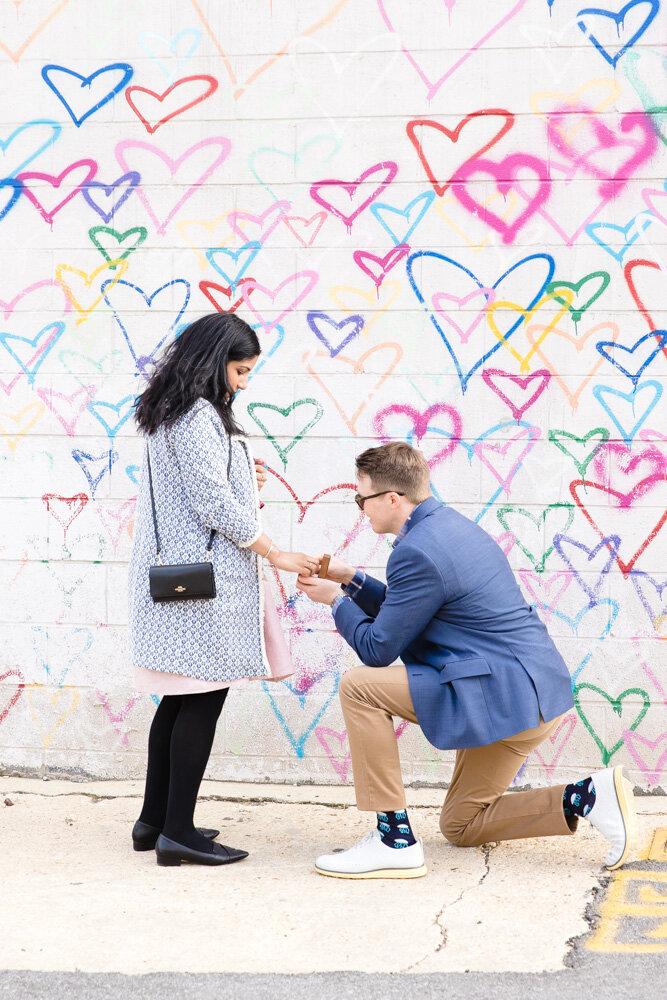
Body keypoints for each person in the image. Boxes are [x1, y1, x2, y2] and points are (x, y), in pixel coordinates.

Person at [297, 442, 637, 879]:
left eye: (361, 498)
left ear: (392, 499)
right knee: (461, 824)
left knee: (360, 687)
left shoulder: (414, 551)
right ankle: (586, 796)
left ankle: (392, 838)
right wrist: (351, 580)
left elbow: (378, 649)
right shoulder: (449, 527)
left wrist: (334, 602)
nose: (360, 509)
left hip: (499, 692)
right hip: (528, 696)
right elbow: (410, 612)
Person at [128, 313, 319, 867]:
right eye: (240, 370)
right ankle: (179, 833)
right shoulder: (195, 416)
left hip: (187, 576)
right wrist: (274, 551)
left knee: (181, 697)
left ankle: (156, 821)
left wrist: (243, 476)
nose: (242, 381)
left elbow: (201, 486)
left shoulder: (176, 412)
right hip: (204, 585)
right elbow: (211, 503)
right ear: (213, 361)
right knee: (203, 699)